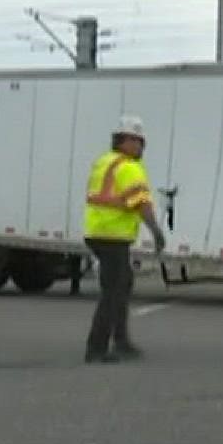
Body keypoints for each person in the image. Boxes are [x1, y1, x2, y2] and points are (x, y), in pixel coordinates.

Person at [82, 115, 166, 363]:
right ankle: (96, 349)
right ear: (124, 141)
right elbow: (141, 203)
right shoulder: (128, 167)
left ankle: (121, 340)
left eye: (142, 142)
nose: (140, 147)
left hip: (99, 233)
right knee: (113, 292)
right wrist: (156, 232)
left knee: (122, 285)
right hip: (112, 236)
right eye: (137, 141)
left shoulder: (104, 162)